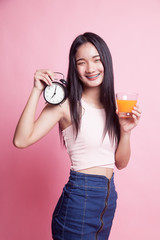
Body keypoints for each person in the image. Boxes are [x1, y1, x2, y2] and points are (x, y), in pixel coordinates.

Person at [13, 32, 141, 240]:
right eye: (82, 62)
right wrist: (36, 91)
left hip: (108, 201)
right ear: (75, 68)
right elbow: (21, 140)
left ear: (105, 62)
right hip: (80, 199)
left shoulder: (113, 108)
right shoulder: (66, 104)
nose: (90, 68)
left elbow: (120, 163)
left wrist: (125, 131)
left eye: (96, 60)